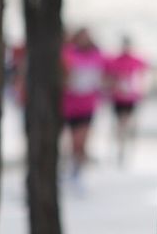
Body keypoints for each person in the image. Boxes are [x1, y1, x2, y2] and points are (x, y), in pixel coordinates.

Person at [61, 27, 107, 184]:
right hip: (70, 104)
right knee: (74, 141)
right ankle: (73, 167)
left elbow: (104, 75)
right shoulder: (68, 53)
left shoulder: (97, 55)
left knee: (82, 140)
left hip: (89, 104)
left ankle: (78, 171)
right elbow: (63, 76)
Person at [104, 36, 149, 166]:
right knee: (120, 124)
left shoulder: (137, 61)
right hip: (118, 97)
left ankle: (124, 147)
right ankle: (120, 147)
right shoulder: (115, 61)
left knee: (127, 123)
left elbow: (143, 77)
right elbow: (108, 77)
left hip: (131, 98)